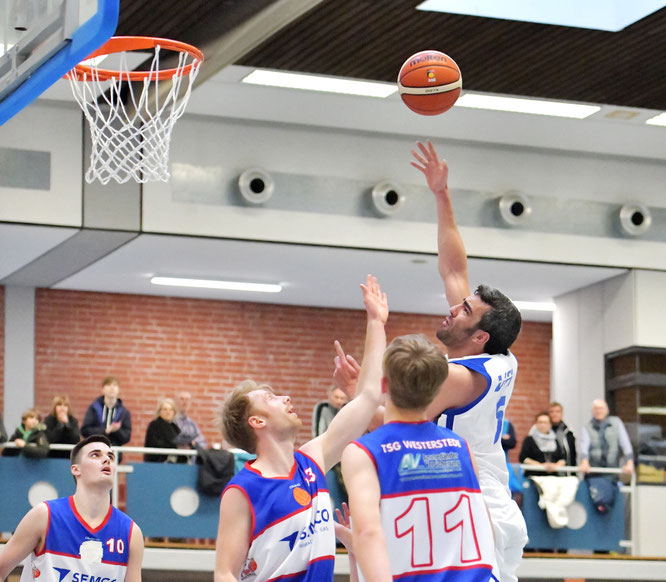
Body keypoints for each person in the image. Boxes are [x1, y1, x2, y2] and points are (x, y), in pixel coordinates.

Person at [336, 141, 528, 581]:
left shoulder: (460, 377)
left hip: (477, 500)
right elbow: (454, 269)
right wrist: (442, 194)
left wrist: (358, 396)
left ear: (479, 336)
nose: (453, 307)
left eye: (464, 310)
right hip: (465, 490)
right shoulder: (498, 349)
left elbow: (391, 425)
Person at [214, 275, 386, 582]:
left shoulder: (312, 460)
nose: (286, 398)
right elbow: (225, 572)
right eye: (271, 398)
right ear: (257, 422)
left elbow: (370, 397)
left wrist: (376, 322)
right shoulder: (242, 490)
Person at [342, 334, 498, 581]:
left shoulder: (364, 451)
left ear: (383, 385)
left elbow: (367, 533)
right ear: (438, 388)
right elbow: (486, 530)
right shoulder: (460, 447)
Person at [0, 434, 144, 582]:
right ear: (76, 469)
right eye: (95, 455)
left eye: (111, 457)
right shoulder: (45, 515)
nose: (106, 459)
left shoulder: (131, 533)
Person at [312, 385, 350, 513]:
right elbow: (318, 432)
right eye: (336, 397)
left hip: (346, 460)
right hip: (329, 462)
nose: (339, 401)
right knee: (334, 499)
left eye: (342, 398)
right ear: (329, 396)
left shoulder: (349, 410)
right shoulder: (323, 408)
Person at [579, 399, 634, 476]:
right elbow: (583, 447)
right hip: (593, 472)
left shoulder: (616, 423)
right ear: (592, 411)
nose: (598, 411)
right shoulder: (587, 427)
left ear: (607, 410)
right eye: (596, 409)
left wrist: (629, 462)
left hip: (612, 471)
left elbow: (625, 443)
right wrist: (584, 462)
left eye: (601, 408)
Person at [81, 376, 132, 447]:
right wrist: (104, 431)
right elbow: (85, 431)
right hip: (96, 450)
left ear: (119, 389)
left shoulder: (124, 412)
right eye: (108, 385)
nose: (112, 388)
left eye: (115, 385)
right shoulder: (94, 408)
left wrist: (116, 431)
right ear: (103, 389)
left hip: (114, 452)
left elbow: (127, 437)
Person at [144, 398, 184, 463]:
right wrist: (173, 445)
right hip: (157, 463)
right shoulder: (154, 425)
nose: (168, 412)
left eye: (171, 410)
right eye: (165, 409)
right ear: (160, 412)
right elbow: (154, 443)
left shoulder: (175, 427)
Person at [174, 390, 207, 457]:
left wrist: (192, 443)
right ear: (176, 401)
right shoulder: (171, 421)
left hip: (190, 461)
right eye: (182, 399)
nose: (184, 402)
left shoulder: (192, 424)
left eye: (187, 399)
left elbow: (203, 442)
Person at [548, 401, 577, 472]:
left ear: (562, 414)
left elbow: (572, 453)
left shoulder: (569, 431)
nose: (554, 414)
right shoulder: (544, 431)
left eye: (557, 411)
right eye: (552, 412)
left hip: (566, 471)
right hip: (549, 471)